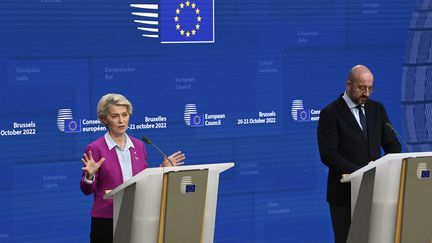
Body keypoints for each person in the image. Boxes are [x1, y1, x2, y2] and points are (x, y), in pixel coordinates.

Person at [79, 93, 186, 243]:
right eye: (115, 116)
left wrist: (163, 168)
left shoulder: (139, 145)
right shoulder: (95, 148)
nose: (121, 120)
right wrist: (89, 176)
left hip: (137, 216)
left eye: (125, 114)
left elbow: (143, 178)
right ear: (104, 119)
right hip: (107, 219)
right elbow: (86, 190)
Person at [317, 65, 401, 243]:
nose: (367, 93)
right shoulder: (330, 113)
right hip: (344, 195)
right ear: (349, 85)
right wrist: (360, 172)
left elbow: (392, 144)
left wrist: (385, 167)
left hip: (377, 191)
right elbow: (328, 154)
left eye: (371, 88)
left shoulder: (377, 109)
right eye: (362, 88)